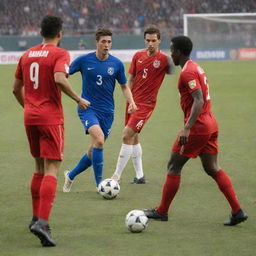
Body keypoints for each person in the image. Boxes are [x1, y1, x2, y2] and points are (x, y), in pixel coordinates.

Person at [143, 35, 248, 226]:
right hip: (210, 123)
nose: (170, 53)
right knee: (212, 167)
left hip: (198, 126)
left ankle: (162, 211)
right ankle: (237, 211)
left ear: (179, 52)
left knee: (173, 166)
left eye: (172, 50)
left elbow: (198, 100)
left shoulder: (187, 73)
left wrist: (187, 128)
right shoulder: (195, 66)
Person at [12, 15, 90, 247]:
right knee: (52, 169)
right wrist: (78, 99)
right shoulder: (60, 53)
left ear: (40, 32)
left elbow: (16, 89)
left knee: (38, 167)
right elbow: (59, 79)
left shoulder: (26, 55)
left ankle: (36, 216)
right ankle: (43, 222)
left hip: (30, 117)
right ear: (60, 33)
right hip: (50, 118)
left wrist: (30, 108)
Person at [62, 28, 137, 192]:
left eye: (109, 41)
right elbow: (63, 74)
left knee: (94, 149)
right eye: (103, 41)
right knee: (100, 140)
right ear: (97, 42)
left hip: (107, 112)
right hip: (87, 108)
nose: (106, 45)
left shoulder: (116, 64)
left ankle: (71, 175)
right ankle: (100, 185)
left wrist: (131, 101)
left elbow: (124, 86)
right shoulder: (83, 60)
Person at [111, 26, 174, 184]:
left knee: (126, 135)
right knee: (134, 137)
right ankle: (140, 176)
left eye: (154, 40)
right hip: (132, 102)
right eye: (148, 40)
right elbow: (130, 79)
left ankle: (115, 177)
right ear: (144, 40)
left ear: (159, 40)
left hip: (146, 105)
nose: (151, 43)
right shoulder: (138, 55)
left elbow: (176, 66)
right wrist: (130, 100)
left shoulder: (164, 60)